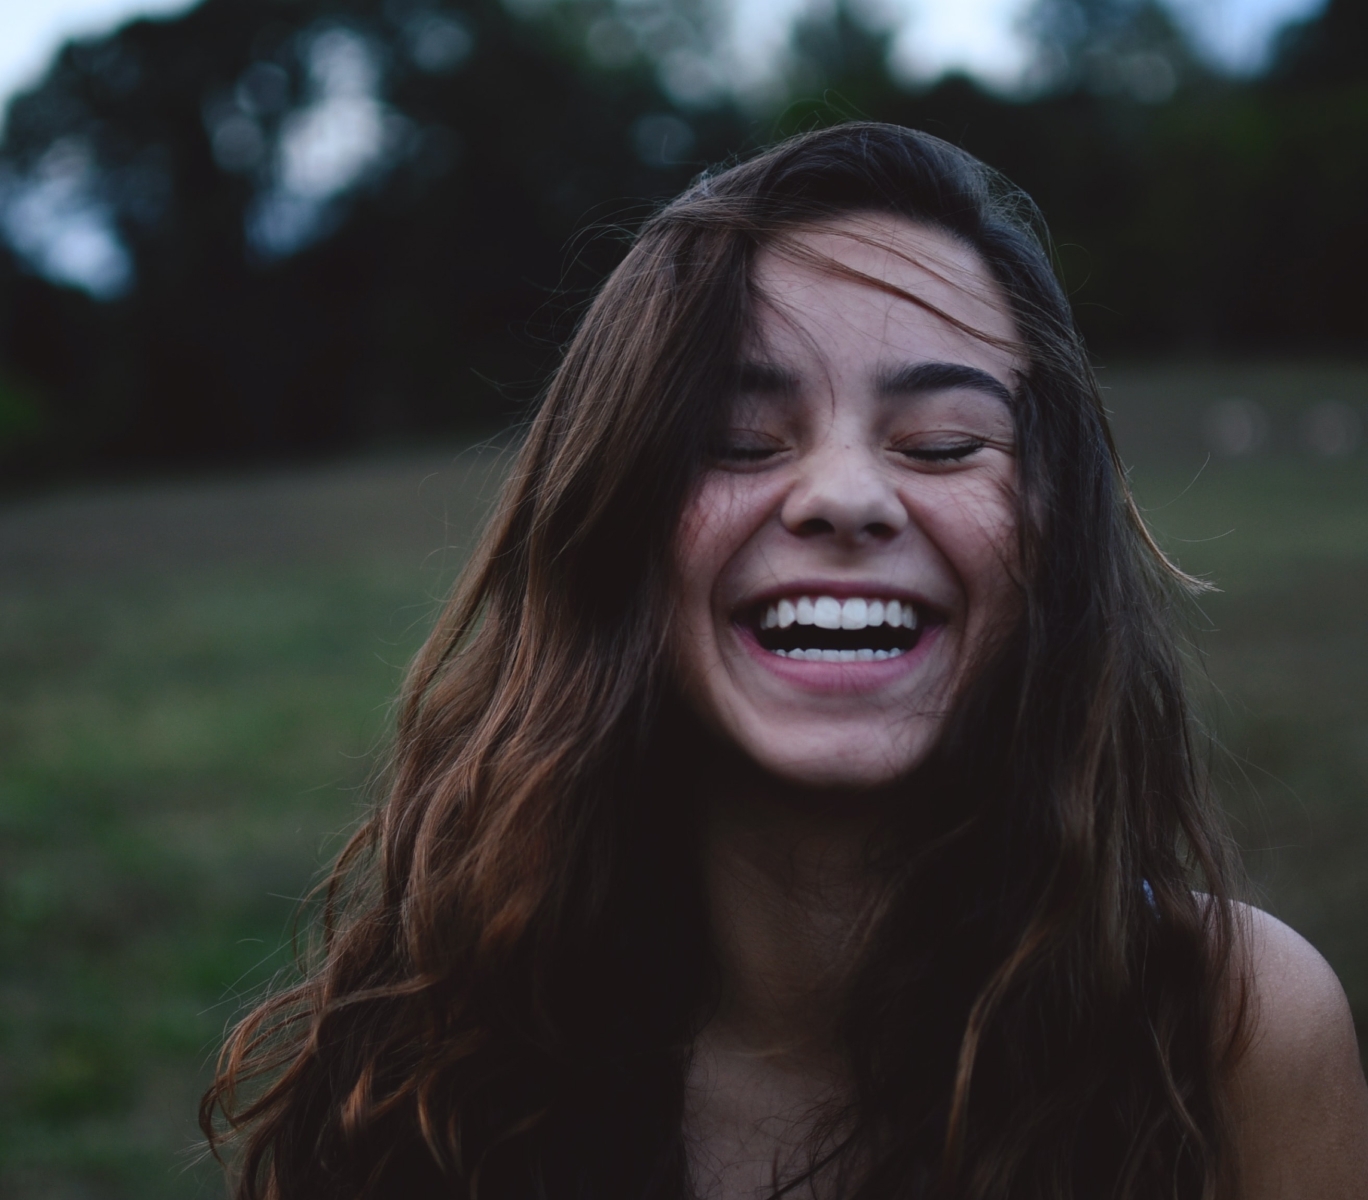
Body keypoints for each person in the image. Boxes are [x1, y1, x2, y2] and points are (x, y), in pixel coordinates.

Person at [202, 123, 1368, 1199]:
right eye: (738, 441)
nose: (847, 496)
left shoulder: (1235, 1034)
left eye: (942, 443)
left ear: (1055, 533)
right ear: (615, 533)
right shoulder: (423, 1065)